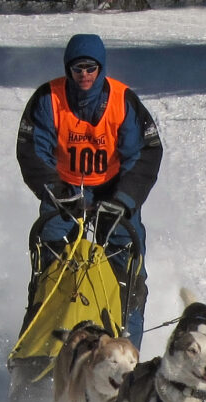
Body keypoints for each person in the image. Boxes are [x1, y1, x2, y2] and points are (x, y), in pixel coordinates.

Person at [16, 33, 162, 350]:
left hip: (114, 193)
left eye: (90, 68)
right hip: (64, 192)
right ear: (68, 69)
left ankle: (127, 350)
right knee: (49, 267)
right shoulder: (48, 99)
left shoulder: (123, 102)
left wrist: (123, 201)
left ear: (101, 68)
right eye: (77, 69)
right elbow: (31, 150)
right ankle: (41, 343)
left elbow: (146, 154)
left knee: (130, 272)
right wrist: (56, 190)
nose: (84, 76)